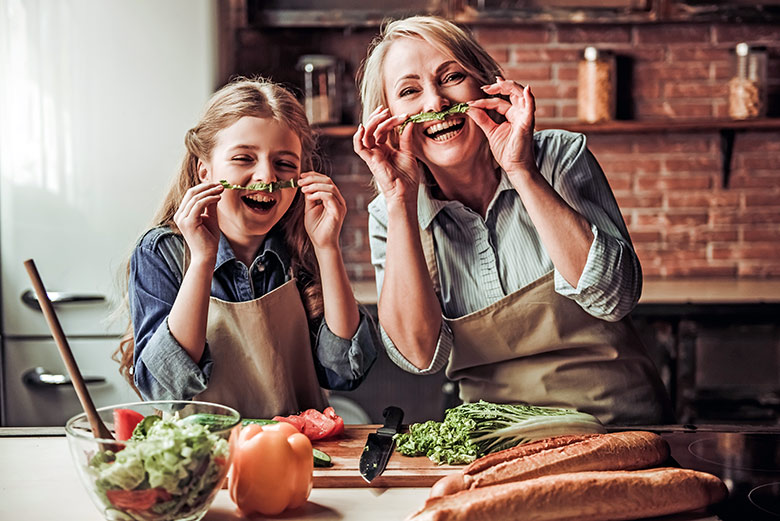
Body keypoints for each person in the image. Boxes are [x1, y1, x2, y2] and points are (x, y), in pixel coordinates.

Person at [353, 16, 673, 425]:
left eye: (450, 77)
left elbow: (616, 297)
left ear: (487, 85)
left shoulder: (558, 158)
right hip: (498, 442)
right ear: (387, 120)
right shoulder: (390, 213)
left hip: (618, 426)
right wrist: (399, 199)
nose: (434, 104)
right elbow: (418, 356)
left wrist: (521, 171)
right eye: (409, 91)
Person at [114, 77, 377, 418]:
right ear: (204, 172)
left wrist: (327, 248)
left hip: (297, 453)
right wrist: (202, 261)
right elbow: (167, 391)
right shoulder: (162, 252)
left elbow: (345, 372)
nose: (267, 177)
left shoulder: (303, 243)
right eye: (243, 159)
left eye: (284, 164)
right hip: (209, 458)